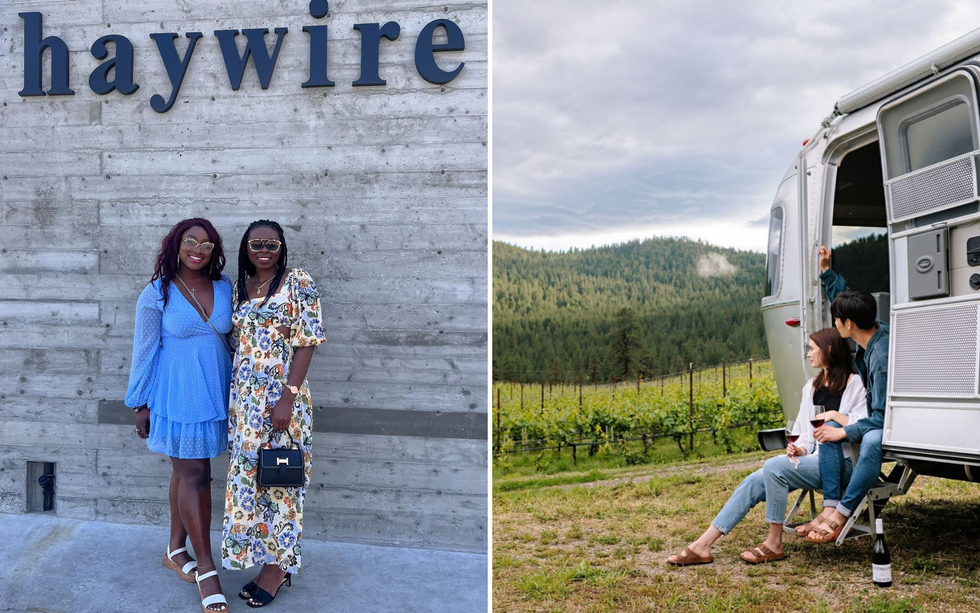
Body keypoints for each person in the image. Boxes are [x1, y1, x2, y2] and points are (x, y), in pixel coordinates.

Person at [667, 327, 866, 565]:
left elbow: (863, 424)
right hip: (814, 461)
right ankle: (702, 545)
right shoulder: (811, 387)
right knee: (754, 480)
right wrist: (799, 449)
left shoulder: (854, 384)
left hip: (844, 463)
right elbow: (805, 434)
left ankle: (774, 543)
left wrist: (834, 416)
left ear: (828, 349)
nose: (807, 354)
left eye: (812, 348)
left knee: (774, 467)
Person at [125, 218, 233, 613]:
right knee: (196, 475)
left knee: (188, 472)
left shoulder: (225, 286)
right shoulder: (157, 292)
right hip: (177, 393)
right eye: (191, 241)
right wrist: (139, 403)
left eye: (207, 244)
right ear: (177, 243)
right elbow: (144, 350)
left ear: (214, 250)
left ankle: (174, 549)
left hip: (216, 390)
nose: (198, 249)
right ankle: (206, 569)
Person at [222, 220, 326, 608]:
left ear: (281, 248)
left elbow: (307, 341)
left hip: (283, 400)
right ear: (245, 249)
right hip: (245, 404)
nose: (264, 250)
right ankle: (265, 562)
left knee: (281, 482)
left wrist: (287, 398)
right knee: (252, 483)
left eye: (272, 244)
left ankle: (277, 569)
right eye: (256, 244)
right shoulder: (239, 288)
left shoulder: (297, 281)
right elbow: (237, 343)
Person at [805, 245, 889, 544]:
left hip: (889, 422)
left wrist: (845, 432)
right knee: (828, 428)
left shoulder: (880, 358)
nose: (835, 324)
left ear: (848, 324)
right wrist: (827, 271)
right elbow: (843, 299)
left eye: (837, 320)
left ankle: (842, 513)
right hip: (875, 416)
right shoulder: (870, 329)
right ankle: (829, 506)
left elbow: (882, 418)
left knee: (871, 439)